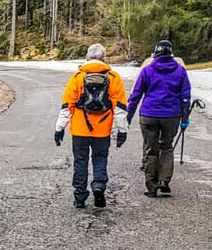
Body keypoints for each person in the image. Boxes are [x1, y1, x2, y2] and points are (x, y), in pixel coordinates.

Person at [54, 44, 128, 208]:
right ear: (104, 58)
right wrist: (122, 130)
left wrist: (59, 128)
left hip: (80, 130)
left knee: (80, 161)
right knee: (100, 159)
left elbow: (67, 106)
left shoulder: (77, 78)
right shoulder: (113, 77)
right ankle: (99, 187)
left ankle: (79, 197)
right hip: (102, 131)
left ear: (87, 58)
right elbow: (120, 108)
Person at [127, 39, 192, 197]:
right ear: (171, 53)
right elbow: (185, 96)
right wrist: (184, 118)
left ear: (155, 53)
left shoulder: (147, 70)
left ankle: (151, 187)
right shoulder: (180, 71)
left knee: (151, 150)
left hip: (149, 114)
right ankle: (164, 181)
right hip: (171, 115)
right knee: (166, 148)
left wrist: (128, 116)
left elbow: (135, 95)